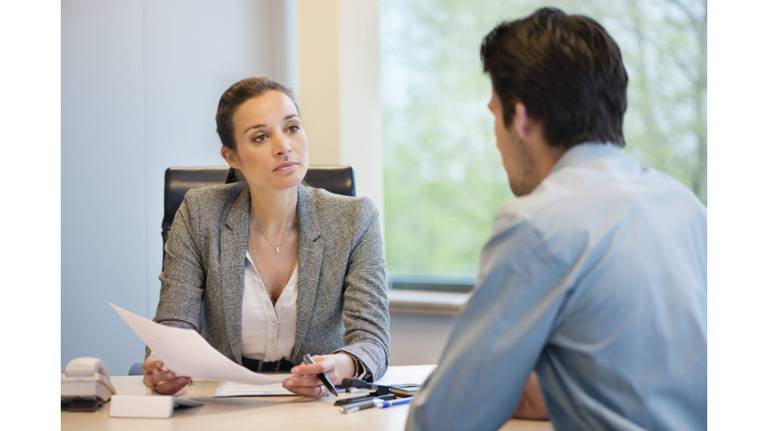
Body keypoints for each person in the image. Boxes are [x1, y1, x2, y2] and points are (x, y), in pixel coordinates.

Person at [406, 7, 706, 431]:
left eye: (494, 115)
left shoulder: (538, 225)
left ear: (522, 117)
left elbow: (444, 421)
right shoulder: (686, 207)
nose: (496, 139)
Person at [141, 77, 390, 397]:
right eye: (260, 137)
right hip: (224, 402)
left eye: (292, 128)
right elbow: (173, 326)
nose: (284, 146)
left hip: (317, 406)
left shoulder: (355, 218)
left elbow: (372, 341)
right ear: (232, 157)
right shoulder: (200, 213)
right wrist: (165, 365)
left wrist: (337, 367)